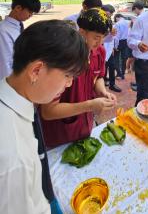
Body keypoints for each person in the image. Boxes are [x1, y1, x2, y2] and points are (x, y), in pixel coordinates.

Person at [0, 20, 88, 214]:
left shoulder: (17, 98)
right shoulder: (15, 159)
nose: (69, 85)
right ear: (36, 70)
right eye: (67, 75)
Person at [40, 9, 117, 148]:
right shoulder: (64, 57)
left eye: (103, 37)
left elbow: (98, 75)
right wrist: (89, 105)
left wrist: (102, 91)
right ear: (82, 32)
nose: (100, 43)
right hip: (60, 131)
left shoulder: (99, 51)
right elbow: (48, 111)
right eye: (96, 37)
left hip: (85, 123)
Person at [0, 0, 41, 79]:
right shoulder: (3, 30)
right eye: (29, 11)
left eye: (32, 13)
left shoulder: (18, 26)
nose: (30, 15)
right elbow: (5, 62)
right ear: (18, 8)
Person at [101, 5, 121, 93]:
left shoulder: (109, 22)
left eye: (111, 15)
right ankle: (103, 84)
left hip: (109, 50)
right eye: (109, 14)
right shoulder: (98, 21)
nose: (110, 16)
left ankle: (112, 84)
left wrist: (112, 48)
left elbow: (112, 38)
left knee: (112, 67)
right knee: (102, 69)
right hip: (101, 50)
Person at [128, 1, 145, 91]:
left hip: (141, 47)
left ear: (136, 8)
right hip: (139, 46)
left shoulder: (141, 18)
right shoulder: (141, 17)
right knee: (139, 68)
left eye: (134, 11)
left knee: (141, 69)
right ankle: (138, 84)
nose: (134, 13)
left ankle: (139, 86)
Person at [113, 13, 130, 80]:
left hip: (119, 42)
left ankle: (119, 74)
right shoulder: (128, 22)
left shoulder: (117, 24)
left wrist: (115, 46)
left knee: (116, 58)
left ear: (117, 17)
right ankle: (122, 74)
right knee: (124, 59)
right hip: (126, 41)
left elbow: (117, 36)